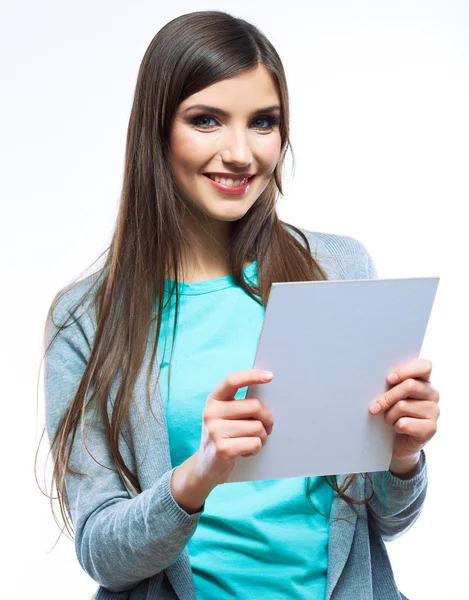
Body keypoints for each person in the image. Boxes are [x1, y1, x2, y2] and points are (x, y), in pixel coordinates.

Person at [40, 10, 440, 600]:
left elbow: (385, 521)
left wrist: (402, 458)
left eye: (262, 123)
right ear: (157, 130)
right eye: (206, 120)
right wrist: (193, 480)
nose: (240, 153)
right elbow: (103, 554)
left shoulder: (335, 270)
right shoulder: (85, 319)